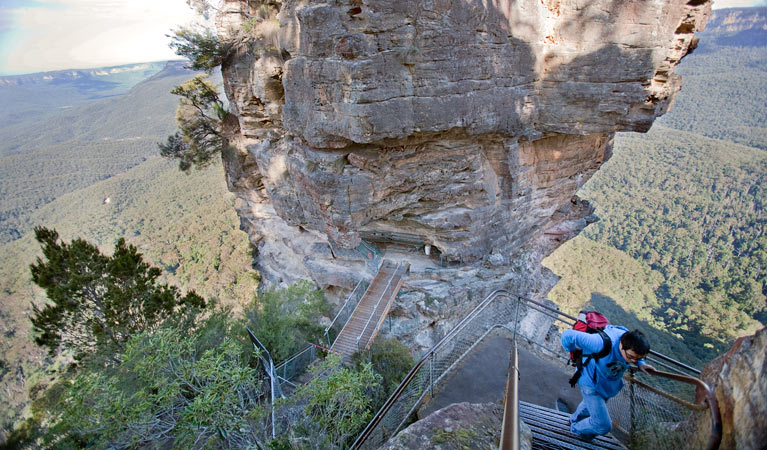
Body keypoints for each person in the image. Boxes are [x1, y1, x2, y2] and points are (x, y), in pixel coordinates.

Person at [561, 326, 656, 440]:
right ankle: (575, 429)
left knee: (588, 405)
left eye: (638, 358)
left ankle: (573, 421)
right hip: (590, 381)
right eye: (631, 357)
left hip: (606, 384)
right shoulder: (600, 343)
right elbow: (568, 335)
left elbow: (636, 355)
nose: (632, 361)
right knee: (603, 426)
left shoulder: (629, 341)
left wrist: (641, 364)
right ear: (621, 345)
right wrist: (572, 349)